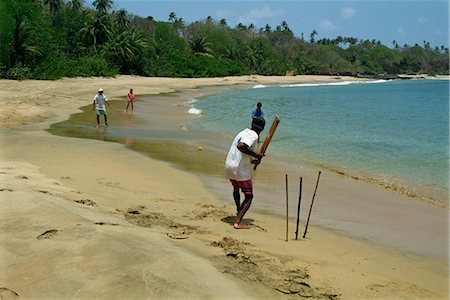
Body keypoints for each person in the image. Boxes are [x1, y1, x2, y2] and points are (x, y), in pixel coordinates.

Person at [225, 117, 265, 229]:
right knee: (249, 196)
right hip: (239, 168)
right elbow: (241, 146)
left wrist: (254, 160)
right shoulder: (254, 135)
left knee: (236, 188)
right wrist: (256, 155)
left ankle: (238, 210)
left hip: (229, 164)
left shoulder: (243, 132)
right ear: (262, 128)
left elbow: (242, 153)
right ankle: (237, 222)